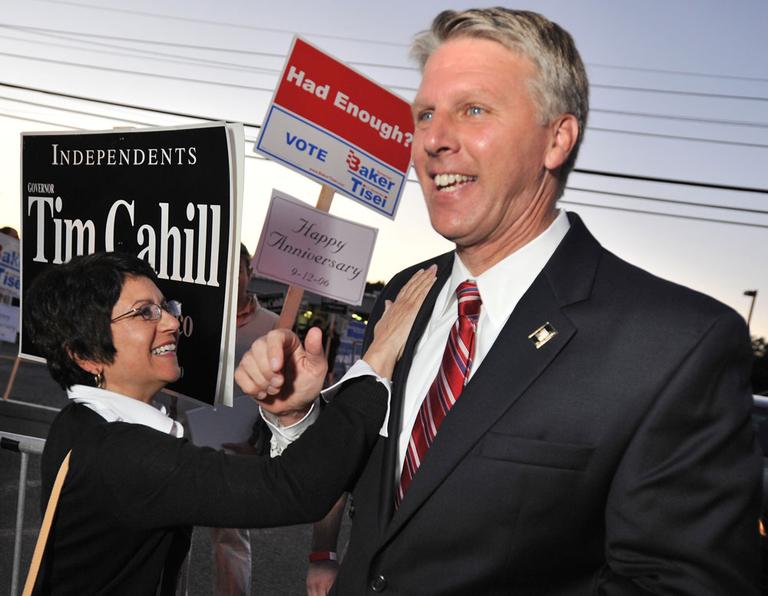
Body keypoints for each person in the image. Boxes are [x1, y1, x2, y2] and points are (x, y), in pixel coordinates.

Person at [237, 8, 761, 595]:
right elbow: (375, 484)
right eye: (426, 115)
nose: (432, 139)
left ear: (556, 139)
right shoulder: (408, 293)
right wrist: (297, 415)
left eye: (474, 110)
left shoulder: (672, 344)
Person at [23, 251, 436, 595]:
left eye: (165, 307)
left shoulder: (81, 421)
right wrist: (379, 357)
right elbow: (295, 489)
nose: (170, 322)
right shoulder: (123, 454)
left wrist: (288, 412)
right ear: (83, 354)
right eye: (143, 313)